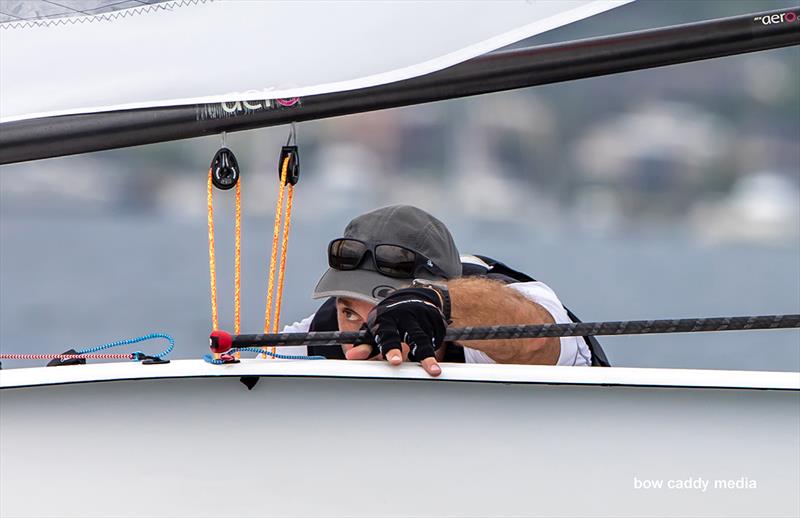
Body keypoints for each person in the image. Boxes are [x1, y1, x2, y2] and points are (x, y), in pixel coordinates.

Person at [281, 205, 609, 376]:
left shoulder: (505, 315)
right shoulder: (316, 336)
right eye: (349, 313)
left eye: (387, 312)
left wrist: (439, 303)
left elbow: (539, 341)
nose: (357, 350)